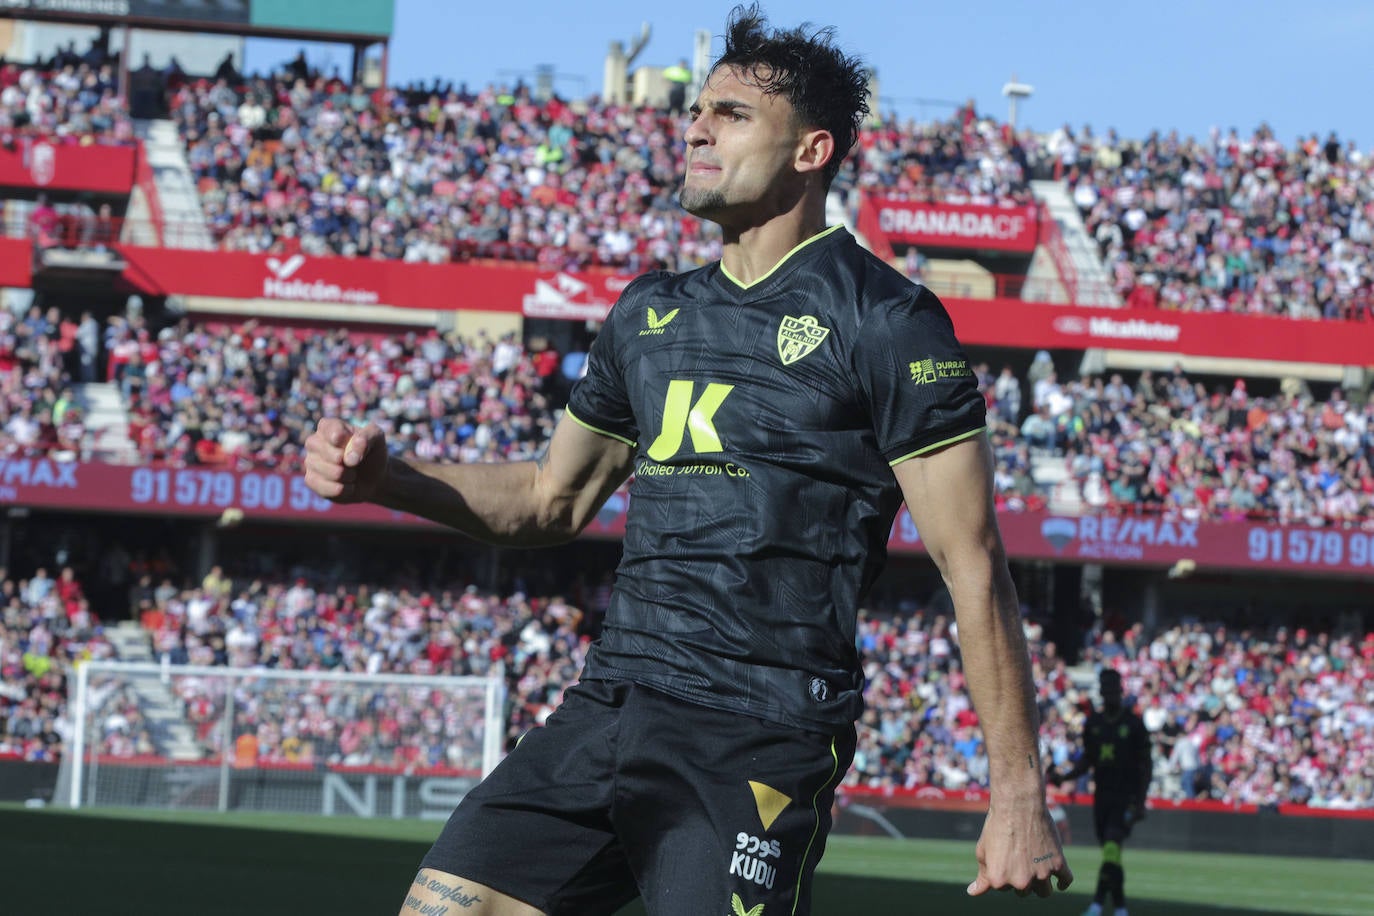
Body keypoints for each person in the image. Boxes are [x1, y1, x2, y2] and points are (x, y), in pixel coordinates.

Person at [303, 6, 1071, 914]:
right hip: (611, 704)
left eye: (731, 115)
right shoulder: (648, 313)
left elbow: (972, 563)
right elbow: (550, 500)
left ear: (812, 151)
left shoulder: (887, 320)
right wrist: (389, 480)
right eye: (696, 111)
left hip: (758, 730)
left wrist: (1017, 793)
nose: (696, 129)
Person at [1048, 668, 1151, 916]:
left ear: (1120, 690)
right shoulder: (1094, 723)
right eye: (1105, 689)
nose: (1109, 693)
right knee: (1110, 853)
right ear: (1101, 692)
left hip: (1125, 797)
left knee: (1112, 847)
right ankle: (1120, 908)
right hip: (1102, 797)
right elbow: (1088, 760)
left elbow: (1146, 765)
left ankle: (1097, 905)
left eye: (1112, 688)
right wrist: (1065, 777)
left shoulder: (1133, 723)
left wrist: (1140, 801)